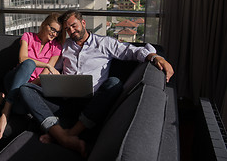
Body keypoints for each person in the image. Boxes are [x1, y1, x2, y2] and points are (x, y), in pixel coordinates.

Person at [19, 10, 174, 156]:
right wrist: (50, 78)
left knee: (114, 83)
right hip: (64, 101)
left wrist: (155, 57)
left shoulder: (104, 43)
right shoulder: (64, 47)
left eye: (74, 26)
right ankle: (62, 136)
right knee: (26, 88)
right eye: (67, 29)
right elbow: (53, 69)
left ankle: (67, 134)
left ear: (83, 23)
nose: (72, 31)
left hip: (92, 103)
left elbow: (131, 51)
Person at [0, 13, 65, 139]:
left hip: (29, 86)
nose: (54, 34)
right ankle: (5, 112)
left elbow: (43, 77)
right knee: (29, 63)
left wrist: (25, 89)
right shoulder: (28, 36)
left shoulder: (56, 47)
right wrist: (46, 65)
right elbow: (23, 59)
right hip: (13, 79)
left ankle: (1, 99)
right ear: (44, 25)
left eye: (58, 32)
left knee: (23, 109)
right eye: (52, 29)